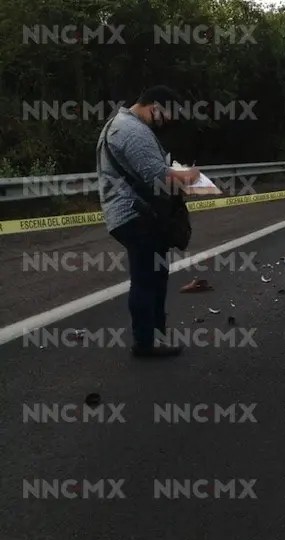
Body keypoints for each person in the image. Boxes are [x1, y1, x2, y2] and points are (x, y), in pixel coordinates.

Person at [96, 85, 200, 358]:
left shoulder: (117, 126)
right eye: (167, 115)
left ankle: (155, 334)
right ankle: (146, 342)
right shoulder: (133, 131)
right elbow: (159, 179)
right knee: (146, 279)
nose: (167, 122)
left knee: (154, 275)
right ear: (155, 106)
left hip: (130, 214)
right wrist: (190, 176)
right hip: (137, 215)